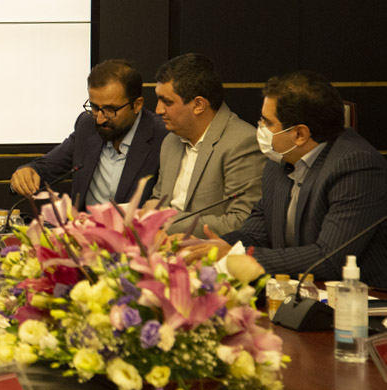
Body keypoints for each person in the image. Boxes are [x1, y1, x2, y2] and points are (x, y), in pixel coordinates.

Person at [214, 71, 387, 286]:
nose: (260, 127)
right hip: (298, 292)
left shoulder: (356, 165)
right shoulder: (279, 161)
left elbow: (328, 259)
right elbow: (256, 234)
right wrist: (210, 248)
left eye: (268, 122)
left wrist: (239, 257)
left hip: (363, 298)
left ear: (300, 134)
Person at [11, 59, 168, 208]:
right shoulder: (87, 126)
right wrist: (28, 172)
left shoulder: (163, 136)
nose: (99, 119)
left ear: (137, 105)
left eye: (110, 110)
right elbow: (46, 167)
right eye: (94, 107)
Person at [150, 53, 265, 238]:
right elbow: (158, 198)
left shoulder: (242, 143)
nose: (158, 110)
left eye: (167, 102)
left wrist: (166, 222)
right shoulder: (170, 141)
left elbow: (241, 221)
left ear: (198, 105)